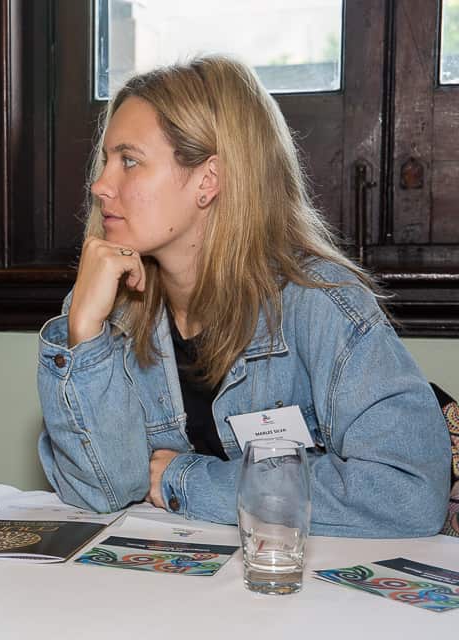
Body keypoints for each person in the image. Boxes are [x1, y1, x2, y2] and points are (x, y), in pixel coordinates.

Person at [36, 56, 451, 538]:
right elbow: (100, 493)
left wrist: (185, 479)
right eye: (106, 159)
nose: (100, 184)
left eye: (129, 160)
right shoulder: (108, 306)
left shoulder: (321, 306)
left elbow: (409, 493)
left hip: (298, 594)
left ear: (208, 180)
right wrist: (83, 333)